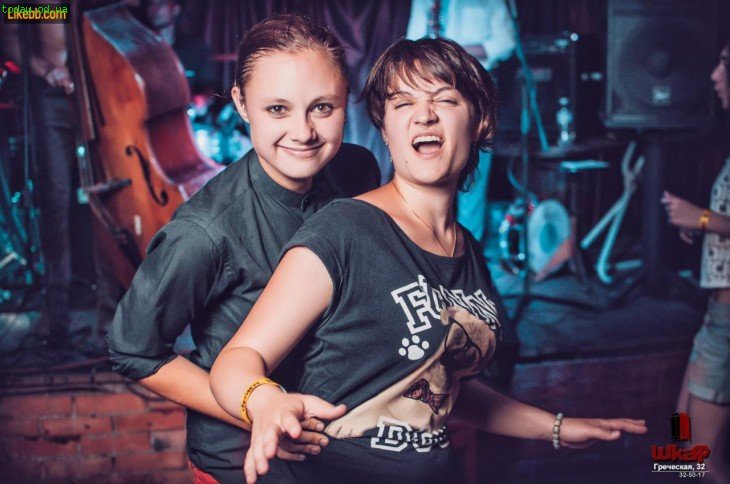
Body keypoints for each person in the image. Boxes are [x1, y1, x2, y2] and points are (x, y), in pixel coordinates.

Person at [210, 37, 647, 484]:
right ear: (385, 129)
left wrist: (556, 428)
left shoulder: (467, 249)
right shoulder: (344, 230)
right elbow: (237, 360)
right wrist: (265, 401)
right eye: (403, 103)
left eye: (444, 99)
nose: (424, 115)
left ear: (480, 122)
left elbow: (439, 386)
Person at [107, 14, 381, 483]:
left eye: (322, 107)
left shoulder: (358, 170)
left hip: (345, 449)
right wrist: (261, 410)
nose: (303, 132)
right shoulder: (204, 231)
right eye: (277, 109)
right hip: (242, 460)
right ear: (241, 103)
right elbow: (134, 351)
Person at [2, 20, 121, 352]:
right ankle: (56, 320)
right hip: (50, 99)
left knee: (105, 204)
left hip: (96, 94)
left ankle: (111, 318)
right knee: (54, 204)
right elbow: (9, 32)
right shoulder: (37, 6)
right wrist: (45, 69)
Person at [662, 41, 730, 484]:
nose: (714, 75)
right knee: (680, 446)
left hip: (727, 325)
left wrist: (702, 218)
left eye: (725, 65)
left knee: (702, 462)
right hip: (715, 319)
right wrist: (705, 225)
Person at [406, 0, 516, 245]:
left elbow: (506, 41)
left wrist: (453, 54)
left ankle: (470, 252)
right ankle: (427, 249)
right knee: (430, 172)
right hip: (431, 91)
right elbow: (411, 42)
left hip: (474, 89)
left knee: (472, 177)